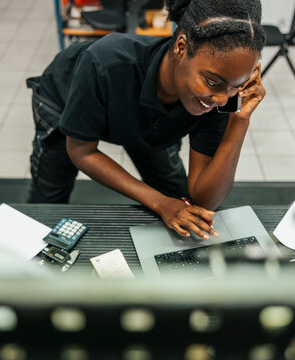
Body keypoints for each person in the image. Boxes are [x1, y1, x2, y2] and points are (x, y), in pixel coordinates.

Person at [27, 0, 266, 240]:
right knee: (49, 195)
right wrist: (159, 203)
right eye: (213, 82)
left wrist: (240, 121)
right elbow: (82, 152)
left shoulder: (216, 98)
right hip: (63, 97)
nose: (223, 99)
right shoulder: (105, 62)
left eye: (235, 86)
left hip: (142, 118)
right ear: (181, 47)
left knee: (180, 200)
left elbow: (204, 200)